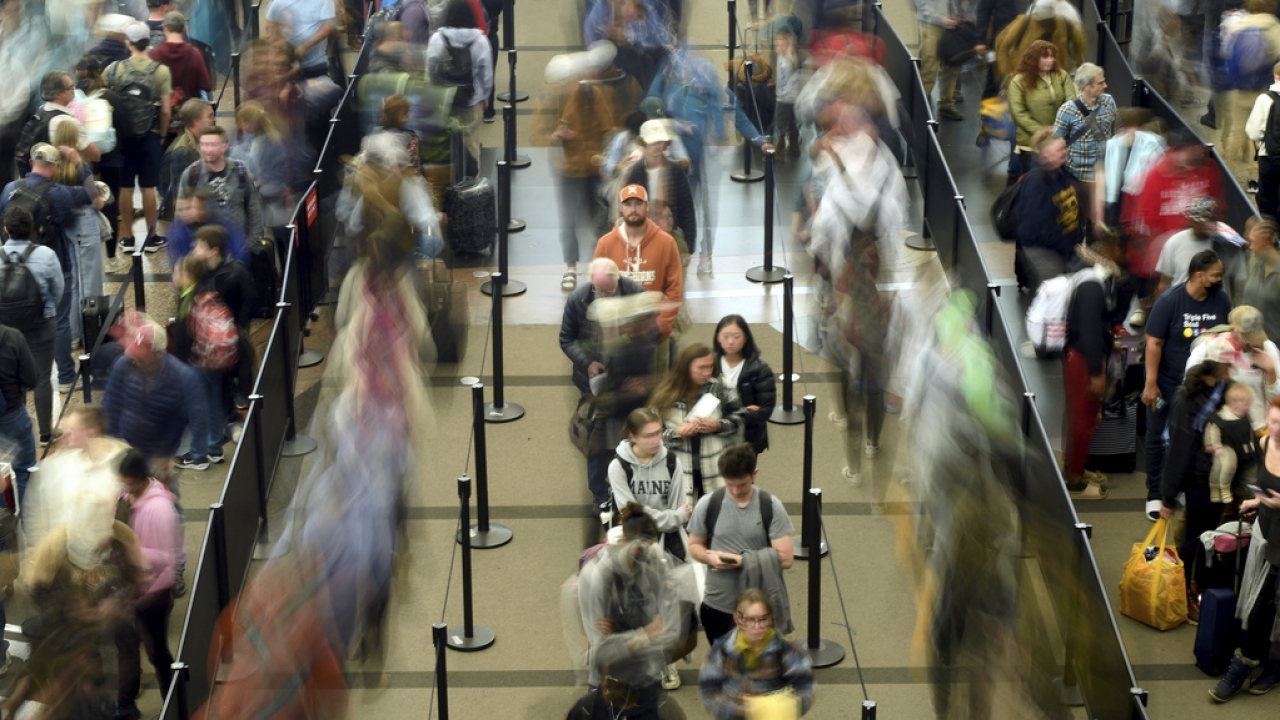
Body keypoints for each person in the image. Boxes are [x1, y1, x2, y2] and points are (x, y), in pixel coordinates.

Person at [1144, 250, 1234, 521]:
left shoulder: (1221, 300)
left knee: (1193, 440)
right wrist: (1150, 383)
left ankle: (1179, 489)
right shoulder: (1170, 301)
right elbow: (1154, 343)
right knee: (1157, 437)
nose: (1220, 278)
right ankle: (1155, 494)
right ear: (1199, 275)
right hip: (1167, 383)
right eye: (1215, 274)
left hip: (1204, 390)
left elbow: (1227, 338)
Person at [1160, 340, 1242, 621]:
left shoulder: (1222, 391)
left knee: (1210, 537)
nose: (1230, 370)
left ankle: (1201, 588)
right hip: (1199, 481)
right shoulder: (1187, 399)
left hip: (1220, 479)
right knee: (1193, 539)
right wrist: (1167, 497)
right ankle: (1182, 591)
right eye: (1226, 365)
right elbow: (1179, 450)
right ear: (1213, 366)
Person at [1207, 395, 1280, 702]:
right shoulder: (1265, 445)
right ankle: (1262, 662)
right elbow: (1266, 486)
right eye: (1274, 421)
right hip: (1266, 534)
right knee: (1260, 603)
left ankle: (1246, 665)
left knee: (1266, 606)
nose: (1277, 428)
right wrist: (1257, 500)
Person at [579, 506, 681, 719]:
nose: (646, 556)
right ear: (623, 542)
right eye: (640, 549)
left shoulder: (656, 564)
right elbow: (601, 650)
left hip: (645, 677)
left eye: (650, 547)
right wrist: (644, 635)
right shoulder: (602, 578)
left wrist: (624, 639)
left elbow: (669, 633)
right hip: (609, 681)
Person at [561, 258, 647, 510]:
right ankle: (599, 494)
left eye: (609, 290)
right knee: (596, 440)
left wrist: (642, 375)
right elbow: (566, 338)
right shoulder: (578, 298)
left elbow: (651, 338)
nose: (605, 295)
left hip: (630, 385)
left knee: (632, 436)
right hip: (593, 385)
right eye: (601, 291)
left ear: (618, 278)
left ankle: (632, 490)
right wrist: (587, 363)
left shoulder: (636, 295)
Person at [687, 443, 793, 644]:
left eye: (742, 484)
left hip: (758, 610)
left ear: (754, 474)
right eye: (729, 484)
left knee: (760, 666)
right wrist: (707, 556)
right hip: (718, 604)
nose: (735, 491)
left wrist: (742, 561)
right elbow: (694, 546)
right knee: (724, 664)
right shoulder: (708, 504)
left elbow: (786, 558)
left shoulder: (770, 506)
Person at [536, 48, 619, 291]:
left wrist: (604, 160)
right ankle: (571, 268)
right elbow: (537, 133)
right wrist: (555, 136)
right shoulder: (551, 100)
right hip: (567, 172)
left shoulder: (590, 94)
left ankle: (601, 268)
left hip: (593, 171)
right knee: (569, 221)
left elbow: (607, 129)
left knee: (600, 221)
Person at [1128, 128, 1224, 327]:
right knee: (1167, 284)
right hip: (1169, 242)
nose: (1202, 153)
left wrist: (1213, 227)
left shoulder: (1209, 168)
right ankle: (1152, 315)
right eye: (1198, 148)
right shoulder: (1158, 172)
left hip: (1202, 240)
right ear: (1185, 149)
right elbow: (1149, 210)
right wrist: (1158, 242)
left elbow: (1218, 203)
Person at [102, 312, 208, 480]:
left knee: (161, 497)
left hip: (158, 457)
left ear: (157, 352)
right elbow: (111, 405)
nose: (134, 357)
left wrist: (173, 454)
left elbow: (199, 416)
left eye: (141, 354)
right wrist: (114, 444)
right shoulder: (124, 364)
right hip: (125, 449)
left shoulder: (183, 377)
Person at [116, 447, 180, 719]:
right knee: (127, 645)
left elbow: (171, 557)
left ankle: (174, 706)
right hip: (131, 588)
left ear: (137, 479)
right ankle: (126, 705)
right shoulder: (127, 496)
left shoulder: (160, 509)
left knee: (158, 654)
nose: (121, 487)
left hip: (154, 593)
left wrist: (136, 553)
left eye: (124, 481)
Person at [0, 189, 67, 447]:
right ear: (32, 229)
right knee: (41, 377)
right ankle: (46, 433)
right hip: (40, 324)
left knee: (10, 376)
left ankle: (15, 428)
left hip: (5, 327)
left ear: (6, 230)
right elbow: (57, 290)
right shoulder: (46, 255)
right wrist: (47, 308)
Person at [594, 184, 684, 368]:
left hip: (655, 336)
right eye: (628, 204)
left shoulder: (666, 243)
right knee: (620, 391)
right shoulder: (605, 244)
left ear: (647, 206)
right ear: (620, 207)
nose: (633, 209)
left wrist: (660, 327)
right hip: (618, 338)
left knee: (657, 392)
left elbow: (674, 291)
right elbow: (596, 290)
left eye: (638, 203)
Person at [1062, 235, 1125, 498]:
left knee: (1084, 418)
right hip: (1083, 361)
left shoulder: (1093, 279)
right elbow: (1088, 332)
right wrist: (1096, 373)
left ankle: (1075, 468)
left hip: (1085, 357)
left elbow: (1097, 327)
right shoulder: (1092, 286)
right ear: (1109, 250)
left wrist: (1110, 343)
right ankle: (1074, 481)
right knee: (1083, 420)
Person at [650, 343, 746, 502]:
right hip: (677, 469)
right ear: (686, 367)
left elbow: (740, 417)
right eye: (701, 367)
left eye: (710, 367)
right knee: (681, 517)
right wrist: (677, 434)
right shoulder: (664, 394)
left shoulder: (721, 387)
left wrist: (718, 426)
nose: (707, 372)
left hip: (714, 467)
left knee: (713, 514)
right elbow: (650, 437)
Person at [698, 589, 815, 720]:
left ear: (770, 618)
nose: (757, 626)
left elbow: (806, 689)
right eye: (750, 619)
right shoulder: (722, 650)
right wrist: (745, 711)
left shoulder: (785, 650)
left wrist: (773, 706)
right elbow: (708, 694)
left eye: (763, 619)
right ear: (737, 618)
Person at [108, 22, 173, 254]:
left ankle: (126, 238)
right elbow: (165, 109)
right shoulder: (160, 71)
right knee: (148, 187)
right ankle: (152, 237)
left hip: (123, 138)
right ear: (149, 41)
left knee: (125, 186)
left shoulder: (115, 69)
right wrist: (162, 134)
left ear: (128, 42)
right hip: (150, 134)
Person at [427, 0, 493, 166]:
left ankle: (450, 185)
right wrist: (484, 98)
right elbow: (486, 74)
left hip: (444, 100)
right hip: (471, 99)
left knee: (446, 146)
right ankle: (472, 185)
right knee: (471, 145)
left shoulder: (437, 38)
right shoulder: (480, 41)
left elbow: (430, 68)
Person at [177, 125, 265, 244]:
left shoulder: (239, 171)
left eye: (213, 145)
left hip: (239, 247)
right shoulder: (191, 174)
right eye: (204, 145)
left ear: (224, 147)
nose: (208, 149)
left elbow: (253, 207)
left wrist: (253, 243)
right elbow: (181, 214)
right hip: (205, 249)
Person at [1051, 62, 1116, 222]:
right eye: (1100, 83)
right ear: (1087, 86)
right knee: (1077, 222)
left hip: (1103, 176)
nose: (1105, 85)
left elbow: (1115, 132)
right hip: (1077, 179)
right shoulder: (1067, 110)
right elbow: (1055, 143)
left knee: (1100, 225)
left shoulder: (1109, 102)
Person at [621, 120, 696, 255]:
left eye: (660, 141)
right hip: (643, 238)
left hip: (671, 236)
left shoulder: (676, 170)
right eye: (653, 142)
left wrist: (689, 246)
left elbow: (687, 208)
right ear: (644, 143)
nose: (657, 146)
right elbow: (626, 209)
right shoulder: (635, 172)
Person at [1007, 40, 1076, 185]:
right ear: (1033, 58)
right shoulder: (1018, 81)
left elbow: (1071, 104)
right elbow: (1019, 114)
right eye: (1045, 56)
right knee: (1033, 183)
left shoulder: (1061, 76)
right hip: (1030, 144)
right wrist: (1043, 132)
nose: (1051, 60)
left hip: (1058, 140)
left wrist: (1058, 130)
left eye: (1052, 56)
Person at [1153, 198, 1246, 304]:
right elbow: (1164, 282)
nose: (1200, 226)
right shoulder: (1174, 242)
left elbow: (1239, 283)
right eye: (1196, 221)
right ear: (1190, 220)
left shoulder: (1228, 244)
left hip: (1217, 308)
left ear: (1214, 220)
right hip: (1182, 307)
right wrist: (1158, 310)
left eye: (1204, 222)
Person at [1016, 129, 1084, 273]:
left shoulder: (1062, 174)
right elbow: (1035, 224)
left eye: (1065, 148)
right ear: (1046, 154)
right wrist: (1061, 244)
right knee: (1052, 288)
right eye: (1060, 149)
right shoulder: (1036, 182)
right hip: (1043, 250)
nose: (1065, 152)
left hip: (1063, 248)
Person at [712, 316, 775, 455]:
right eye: (726, 336)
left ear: (746, 338)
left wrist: (726, 416)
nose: (731, 341)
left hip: (748, 438)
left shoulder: (760, 369)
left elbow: (765, 410)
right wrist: (743, 411)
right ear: (718, 338)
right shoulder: (709, 365)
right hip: (714, 436)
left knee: (744, 476)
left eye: (736, 336)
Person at [157, 98, 213, 245]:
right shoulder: (182, 153)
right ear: (194, 121)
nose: (213, 120)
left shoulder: (197, 144)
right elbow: (181, 198)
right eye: (209, 116)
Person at [149, 10, 210, 141]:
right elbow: (207, 85)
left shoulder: (155, 54)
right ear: (183, 29)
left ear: (165, 28)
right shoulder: (194, 53)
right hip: (189, 120)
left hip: (164, 121)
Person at [229, 100, 291, 227]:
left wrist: (259, 180)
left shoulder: (272, 141)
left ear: (257, 122)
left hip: (271, 194)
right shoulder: (241, 141)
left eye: (248, 122)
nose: (244, 126)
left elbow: (280, 169)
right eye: (242, 122)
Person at [0, 308, 37, 505]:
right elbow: (32, 379)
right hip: (13, 416)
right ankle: (27, 524)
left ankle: (3, 526)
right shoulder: (13, 338)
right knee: (25, 471)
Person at [915, 0, 972, 122]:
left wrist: (961, 13)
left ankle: (946, 104)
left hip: (953, 23)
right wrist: (941, 19)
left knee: (952, 65)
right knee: (929, 68)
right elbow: (919, 3)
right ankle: (919, 107)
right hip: (931, 24)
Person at [1204, 383, 1258, 505]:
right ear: (1233, 404)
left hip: (1245, 453)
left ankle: (1247, 493)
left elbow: (1249, 433)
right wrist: (1215, 446)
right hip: (1226, 450)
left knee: (1251, 471)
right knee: (1225, 465)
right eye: (1246, 404)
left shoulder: (1246, 417)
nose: (1248, 407)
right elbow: (1213, 433)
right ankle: (1221, 488)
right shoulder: (1220, 419)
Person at [265, 0, 338, 81]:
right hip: (286, 64)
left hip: (315, 63)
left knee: (316, 91)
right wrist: (282, 45)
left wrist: (305, 46)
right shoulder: (279, 2)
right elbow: (270, 24)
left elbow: (328, 27)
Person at [1245, 61, 1280, 220]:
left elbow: (1253, 133)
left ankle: (1271, 236)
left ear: (1275, 76)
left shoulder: (1265, 99)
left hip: (1270, 158)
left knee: (1268, 200)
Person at [1241, 217, 1280, 343]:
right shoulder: (1256, 264)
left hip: (1275, 346)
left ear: (1269, 241)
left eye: (1254, 242)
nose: (1251, 247)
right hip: (1253, 344)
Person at [773, 28, 801, 157]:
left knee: (789, 122)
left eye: (781, 43)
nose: (778, 46)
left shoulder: (792, 55)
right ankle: (784, 145)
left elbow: (795, 65)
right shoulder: (780, 56)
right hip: (781, 95)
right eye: (777, 43)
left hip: (791, 96)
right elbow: (782, 74)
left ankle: (786, 146)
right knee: (781, 121)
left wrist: (790, 51)